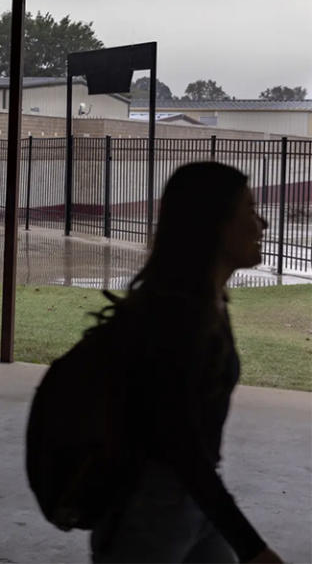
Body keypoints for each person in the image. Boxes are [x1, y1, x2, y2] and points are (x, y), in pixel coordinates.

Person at [88, 162, 281, 564]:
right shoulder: (175, 319)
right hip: (149, 513)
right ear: (214, 224)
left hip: (192, 502)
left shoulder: (208, 302)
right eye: (249, 209)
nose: (261, 222)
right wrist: (253, 548)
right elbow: (181, 447)